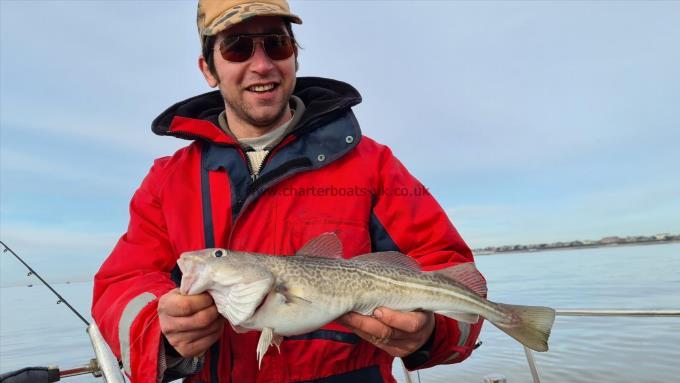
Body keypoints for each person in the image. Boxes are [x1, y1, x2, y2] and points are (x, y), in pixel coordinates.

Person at [92, 1, 484, 382]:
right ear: (208, 69)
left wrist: (432, 330)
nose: (261, 65)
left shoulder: (373, 164)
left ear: (294, 55)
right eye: (237, 47)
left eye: (277, 44)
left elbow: (445, 262)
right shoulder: (168, 179)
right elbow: (122, 281)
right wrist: (160, 330)